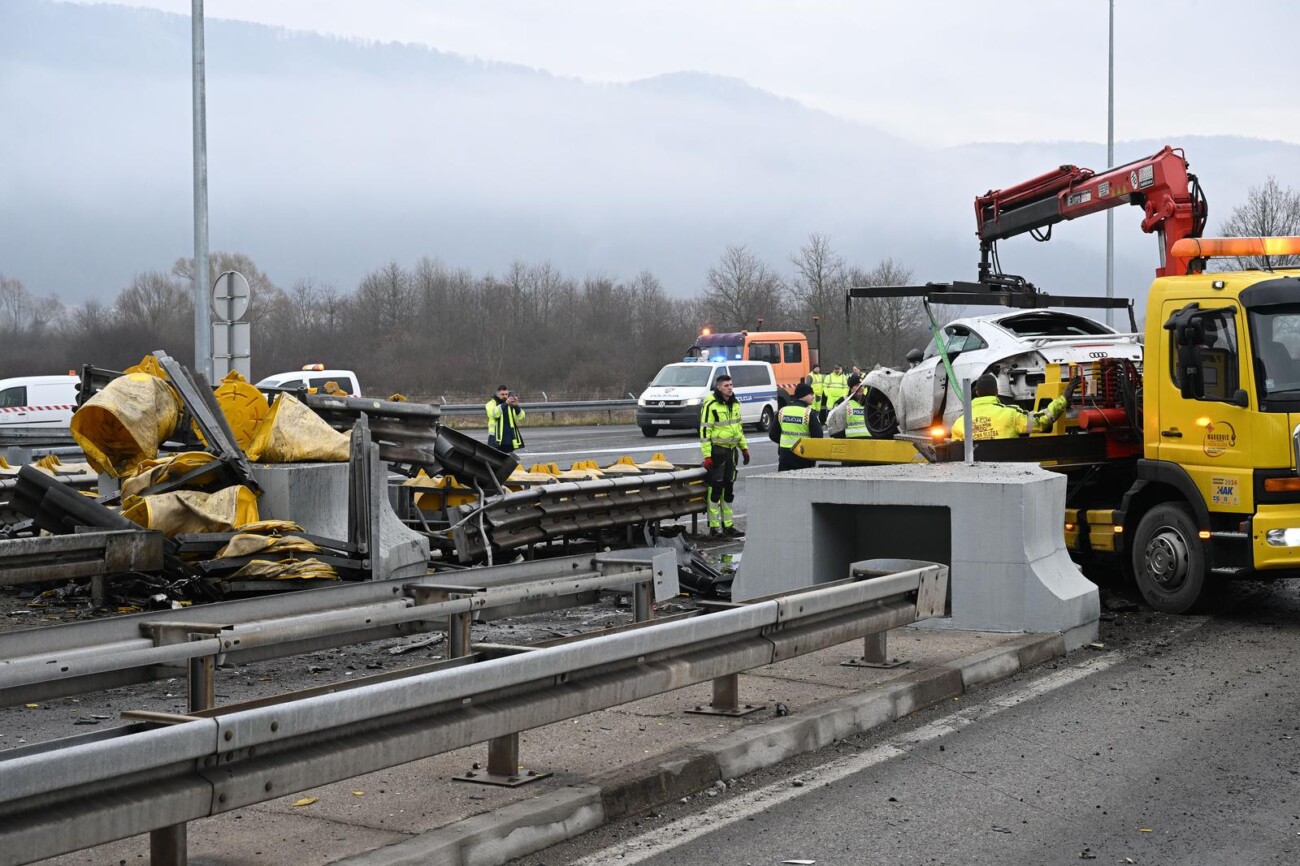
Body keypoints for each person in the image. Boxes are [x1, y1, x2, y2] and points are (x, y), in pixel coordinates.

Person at [950, 373, 1080, 441]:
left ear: (977, 393)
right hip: (1009, 474)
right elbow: (1042, 421)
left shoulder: (960, 422)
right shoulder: (1011, 414)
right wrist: (1063, 399)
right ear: (996, 391)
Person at [699, 373, 749, 538]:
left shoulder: (735, 404)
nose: (730, 388)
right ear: (719, 387)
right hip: (718, 451)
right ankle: (714, 527)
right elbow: (705, 431)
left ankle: (728, 525)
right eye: (726, 385)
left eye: (731, 385)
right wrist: (707, 455)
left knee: (729, 489)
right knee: (715, 489)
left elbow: (738, 429)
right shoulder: (711, 405)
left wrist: (744, 448)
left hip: (731, 451)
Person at [774, 382, 823, 471]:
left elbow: (773, 434)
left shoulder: (782, 411)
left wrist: (784, 443)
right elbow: (818, 437)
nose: (813, 397)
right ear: (804, 395)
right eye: (811, 394)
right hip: (803, 456)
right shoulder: (809, 413)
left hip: (785, 456)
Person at [826, 374, 871, 439]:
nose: (860, 388)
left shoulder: (869, 401)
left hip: (869, 440)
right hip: (850, 441)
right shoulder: (842, 402)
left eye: (862, 385)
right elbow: (835, 424)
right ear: (850, 388)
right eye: (857, 385)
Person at [485, 385, 526, 452]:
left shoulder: (511, 405)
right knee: (495, 459)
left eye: (506, 394)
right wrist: (505, 404)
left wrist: (516, 407)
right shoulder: (491, 404)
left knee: (507, 459)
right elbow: (494, 414)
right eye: (502, 394)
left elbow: (521, 416)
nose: (504, 396)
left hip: (508, 439)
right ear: (497, 394)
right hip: (495, 438)